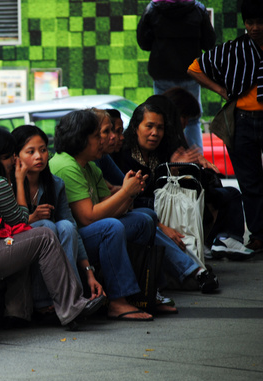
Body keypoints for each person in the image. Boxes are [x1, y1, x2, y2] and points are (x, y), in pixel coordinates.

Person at [0, 126, 105, 330]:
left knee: (31, 238)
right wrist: (19, 179)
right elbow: (20, 222)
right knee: (45, 235)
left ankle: (19, 313)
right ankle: (71, 306)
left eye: (43, 150)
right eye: (9, 156)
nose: (13, 161)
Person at [50, 109, 166, 320]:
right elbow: (88, 217)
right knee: (111, 227)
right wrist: (125, 192)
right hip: (74, 240)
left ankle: (141, 292)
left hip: (91, 231)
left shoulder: (90, 166)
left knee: (145, 218)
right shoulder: (66, 165)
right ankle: (118, 300)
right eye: (97, 136)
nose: (103, 141)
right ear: (81, 139)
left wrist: (130, 193)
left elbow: (109, 206)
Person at [114, 101, 223, 291]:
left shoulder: (164, 151)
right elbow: (131, 198)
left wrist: (177, 170)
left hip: (165, 210)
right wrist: (160, 225)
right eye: (149, 126)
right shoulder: (122, 155)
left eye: (160, 128)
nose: (155, 133)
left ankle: (194, 267)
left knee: (215, 198)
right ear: (135, 127)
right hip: (140, 212)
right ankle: (195, 271)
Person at [187, 0, 263, 253]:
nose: (254, 27)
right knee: (249, 182)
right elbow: (194, 68)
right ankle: (258, 235)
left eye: (260, 22)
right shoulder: (233, 49)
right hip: (241, 120)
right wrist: (221, 90)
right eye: (250, 22)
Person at [11, 125, 106, 321]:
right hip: (13, 244)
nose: (39, 156)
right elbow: (9, 225)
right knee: (48, 227)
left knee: (66, 227)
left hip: (49, 240)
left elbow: (72, 227)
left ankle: (73, 298)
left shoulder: (55, 184)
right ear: (16, 156)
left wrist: (89, 273)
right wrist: (31, 217)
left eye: (43, 150)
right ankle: (44, 302)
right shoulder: (7, 184)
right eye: (30, 151)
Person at [160, 88, 252, 260]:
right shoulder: (163, 139)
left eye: (188, 118)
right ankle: (220, 240)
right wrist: (176, 166)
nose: (185, 123)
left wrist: (198, 164)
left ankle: (224, 239)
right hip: (179, 197)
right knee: (226, 195)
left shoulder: (177, 138)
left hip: (192, 191)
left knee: (230, 193)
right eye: (183, 117)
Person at [137, 0, 216, 150]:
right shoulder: (197, 9)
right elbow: (209, 42)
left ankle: (165, 157)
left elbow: (143, 42)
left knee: (161, 117)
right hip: (191, 73)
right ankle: (195, 159)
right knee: (192, 119)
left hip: (162, 73)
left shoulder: (153, 9)